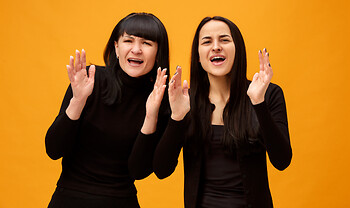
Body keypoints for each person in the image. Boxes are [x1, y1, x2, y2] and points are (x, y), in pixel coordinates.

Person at [153, 16, 292, 208]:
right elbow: (162, 169)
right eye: (207, 41)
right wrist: (177, 117)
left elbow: (282, 160)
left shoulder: (268, 94)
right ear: (198, 56)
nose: (216, 47)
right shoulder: (183, 100)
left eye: (224, 40)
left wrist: (258, 103)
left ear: (238, 50)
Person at [45, 12, 170, 208]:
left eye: (147, 43)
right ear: (116, 47)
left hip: (122, 201)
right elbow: (53, 149)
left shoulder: (161, 97)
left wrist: (151, 115)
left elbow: (139, 171)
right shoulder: (89, 79)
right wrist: (78, 100)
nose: (136, 50)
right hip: (70, 198)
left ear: (158, 52)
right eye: (128, 40)